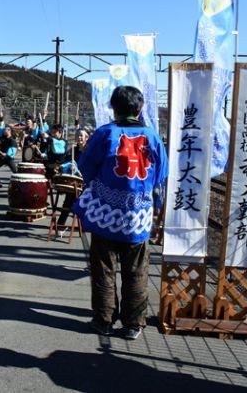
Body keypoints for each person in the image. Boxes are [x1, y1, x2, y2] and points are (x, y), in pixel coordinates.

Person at [73, 86, 168, 340]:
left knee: (103, 268)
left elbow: (86, 168)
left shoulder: (105, 134)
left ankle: (103, 320)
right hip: (138, 217)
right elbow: (160, 175)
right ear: (140, 109)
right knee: (137, 270)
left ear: (114, 108)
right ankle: (133, 324)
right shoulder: (153, 137)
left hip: (106, 215)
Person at [0, 110, 18, 185]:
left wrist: (7, 154)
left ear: (9, 131)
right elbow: (1, 125)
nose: (4, 131)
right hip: (1, 158)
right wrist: (1, 116)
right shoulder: (2, 137)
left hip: (9, 158)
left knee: (15, 171)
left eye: (6, 130)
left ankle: (17, 183)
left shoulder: (12, 140)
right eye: (4, 130)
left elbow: (13, 151)